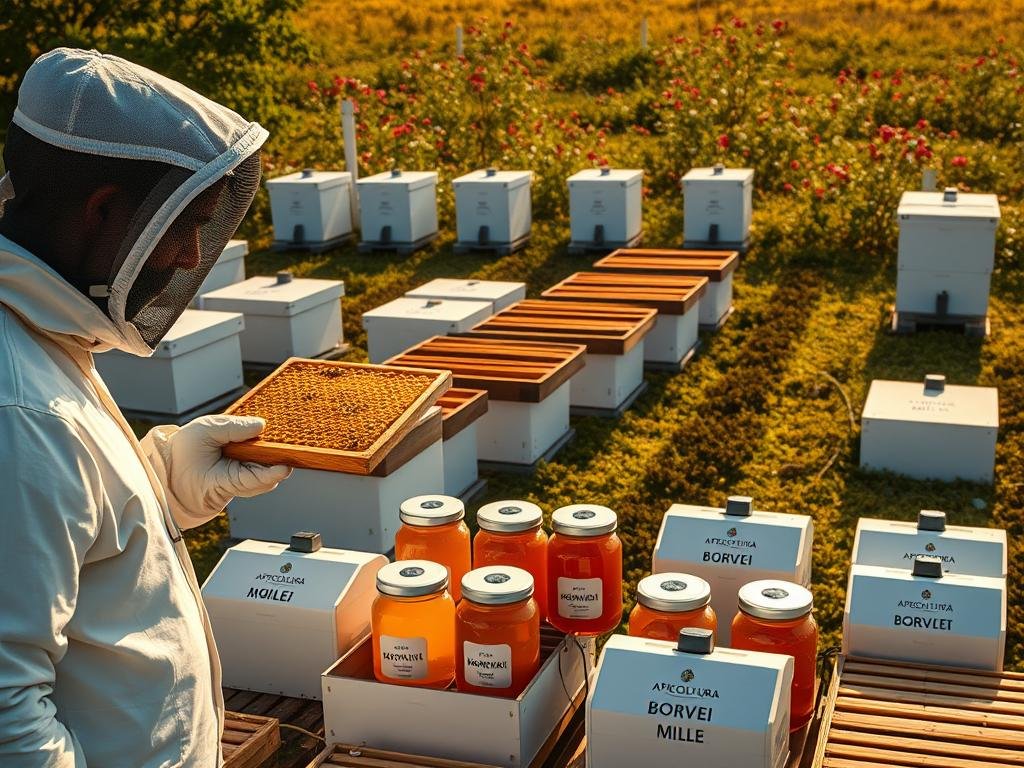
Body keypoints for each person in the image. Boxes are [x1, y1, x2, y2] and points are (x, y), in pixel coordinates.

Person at [0, 48, 292, 766]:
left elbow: (62, 534)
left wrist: (163, 483)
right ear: (105, 212)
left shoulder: (40, 336)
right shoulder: (22, 411)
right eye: (183, 222)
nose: (192, 253)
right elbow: (9, 717)